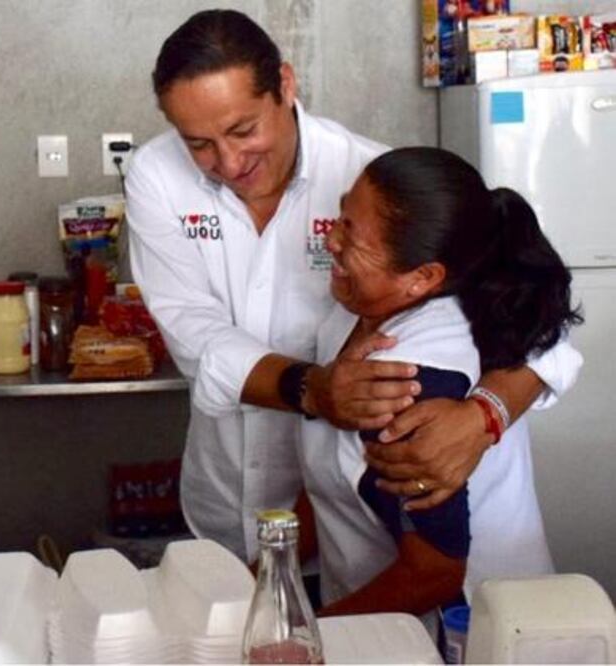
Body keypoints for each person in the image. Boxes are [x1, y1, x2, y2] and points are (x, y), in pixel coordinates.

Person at [125, 9, 582, 561]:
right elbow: (194, 335)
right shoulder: (157, 174)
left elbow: (536, 323)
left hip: (360, 524)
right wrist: (314, 390)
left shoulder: (370, 180)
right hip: (226, 496)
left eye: (244, 130)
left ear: (286, 86)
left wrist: (484, 415)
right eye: (199, 143)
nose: (227, 161)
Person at [300, 146, 581, 617]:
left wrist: (302, 637)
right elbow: (328, 475)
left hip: (468, 629)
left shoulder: (405, 381)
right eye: (341, 218)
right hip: (365, 622)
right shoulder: (352, 317)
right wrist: (266, 576)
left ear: (422, 278)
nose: (330, 241)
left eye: (352, 235)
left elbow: (433, 571)